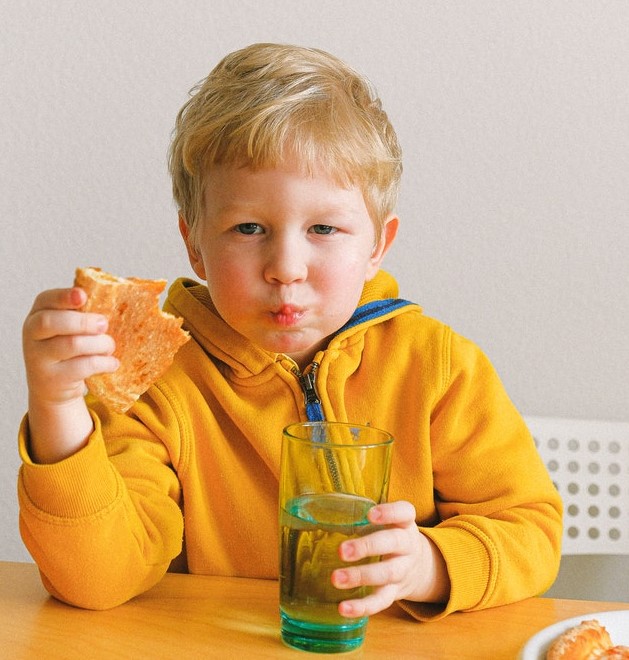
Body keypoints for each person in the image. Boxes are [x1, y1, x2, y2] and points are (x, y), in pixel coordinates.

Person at [19, 43, 562, 620]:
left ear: (377, 245)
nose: (286, 266)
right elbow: (97, 579)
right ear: (193, 244)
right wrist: (57, 409)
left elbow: (529, 527)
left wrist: (429, 564)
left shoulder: (438, 368)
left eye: (324, 227)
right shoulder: (160, 385)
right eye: (249, 227)